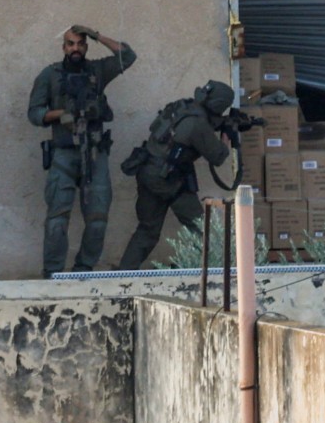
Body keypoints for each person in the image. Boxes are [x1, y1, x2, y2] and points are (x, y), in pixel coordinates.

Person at [28, 25, 137, 277]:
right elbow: (34, 113)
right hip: (64, 154)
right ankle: (53, 273)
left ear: (86, 47)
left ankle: (84, 270)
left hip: (95, 153)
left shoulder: (97, 70)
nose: (75, 48)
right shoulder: (50, 75)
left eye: (80, 43)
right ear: (63, 47)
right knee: (57, 220)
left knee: (98, 220)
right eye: (70, 44)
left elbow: (128, 56)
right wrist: (60, 115)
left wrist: (97, 35)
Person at [117, 80, 234, 270]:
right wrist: (227, 135)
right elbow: (218, 156)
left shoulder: (182, 106)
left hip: (147, 170)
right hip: (168, 179)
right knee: (201, 229)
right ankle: (195, 269)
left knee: (148, 230)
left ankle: (124, 273)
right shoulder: (198, 124)